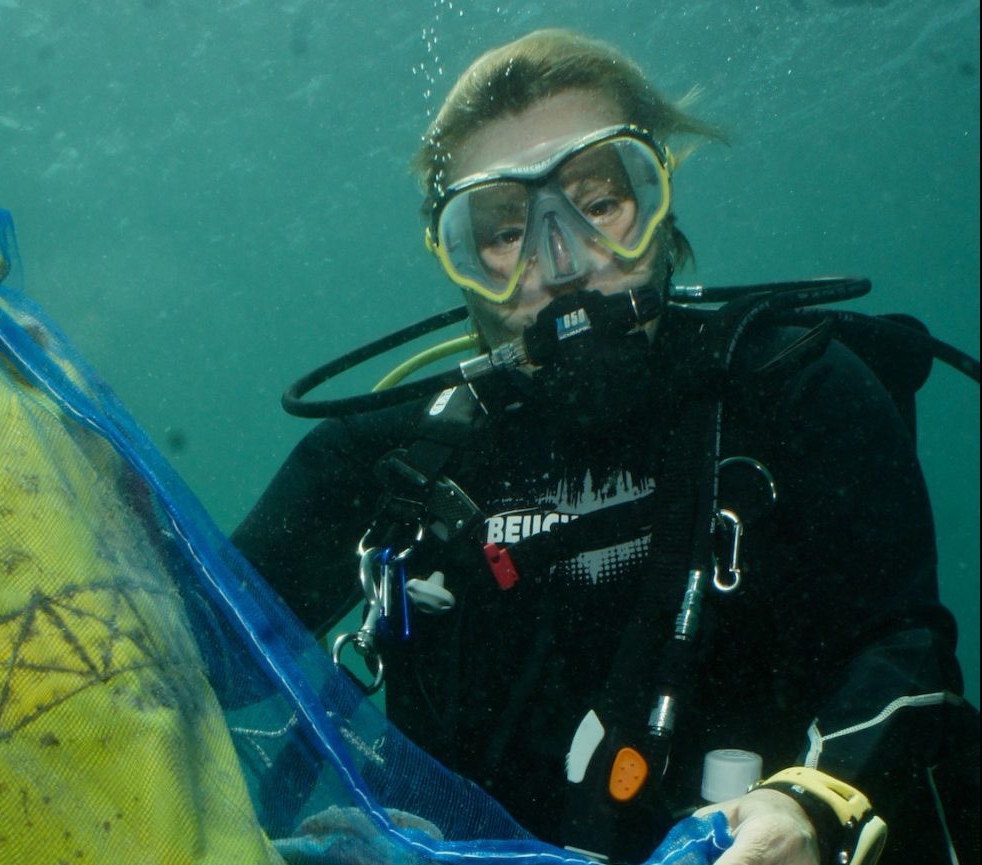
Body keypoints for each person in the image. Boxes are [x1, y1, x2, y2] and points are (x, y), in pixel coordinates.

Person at [232, 29, 977, 865]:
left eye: (598, 204)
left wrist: (813, 800)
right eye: (506, 231)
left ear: (657, 202)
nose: (565, 261)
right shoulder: (389, 464)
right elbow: (182, 638)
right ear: (457, 259)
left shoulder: (797, 389)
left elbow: (903, 645)